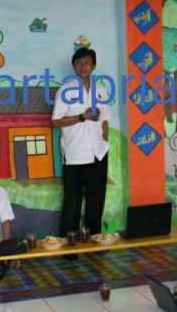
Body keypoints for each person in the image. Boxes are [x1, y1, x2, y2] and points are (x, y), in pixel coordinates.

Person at [51, 48, 111, 237]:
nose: (83, 66)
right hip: (75, 155)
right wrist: (82, 116)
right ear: (73, 67)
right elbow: (56, 121)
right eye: (79, 63)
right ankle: (69, 245)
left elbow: (105, 122)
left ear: (94, 65)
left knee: (96, 202)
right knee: (72, 203)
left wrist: (104, 144)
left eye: (86, 62)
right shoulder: (65, 91)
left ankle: (94, 241)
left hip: (98, 154)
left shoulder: (101, 90)